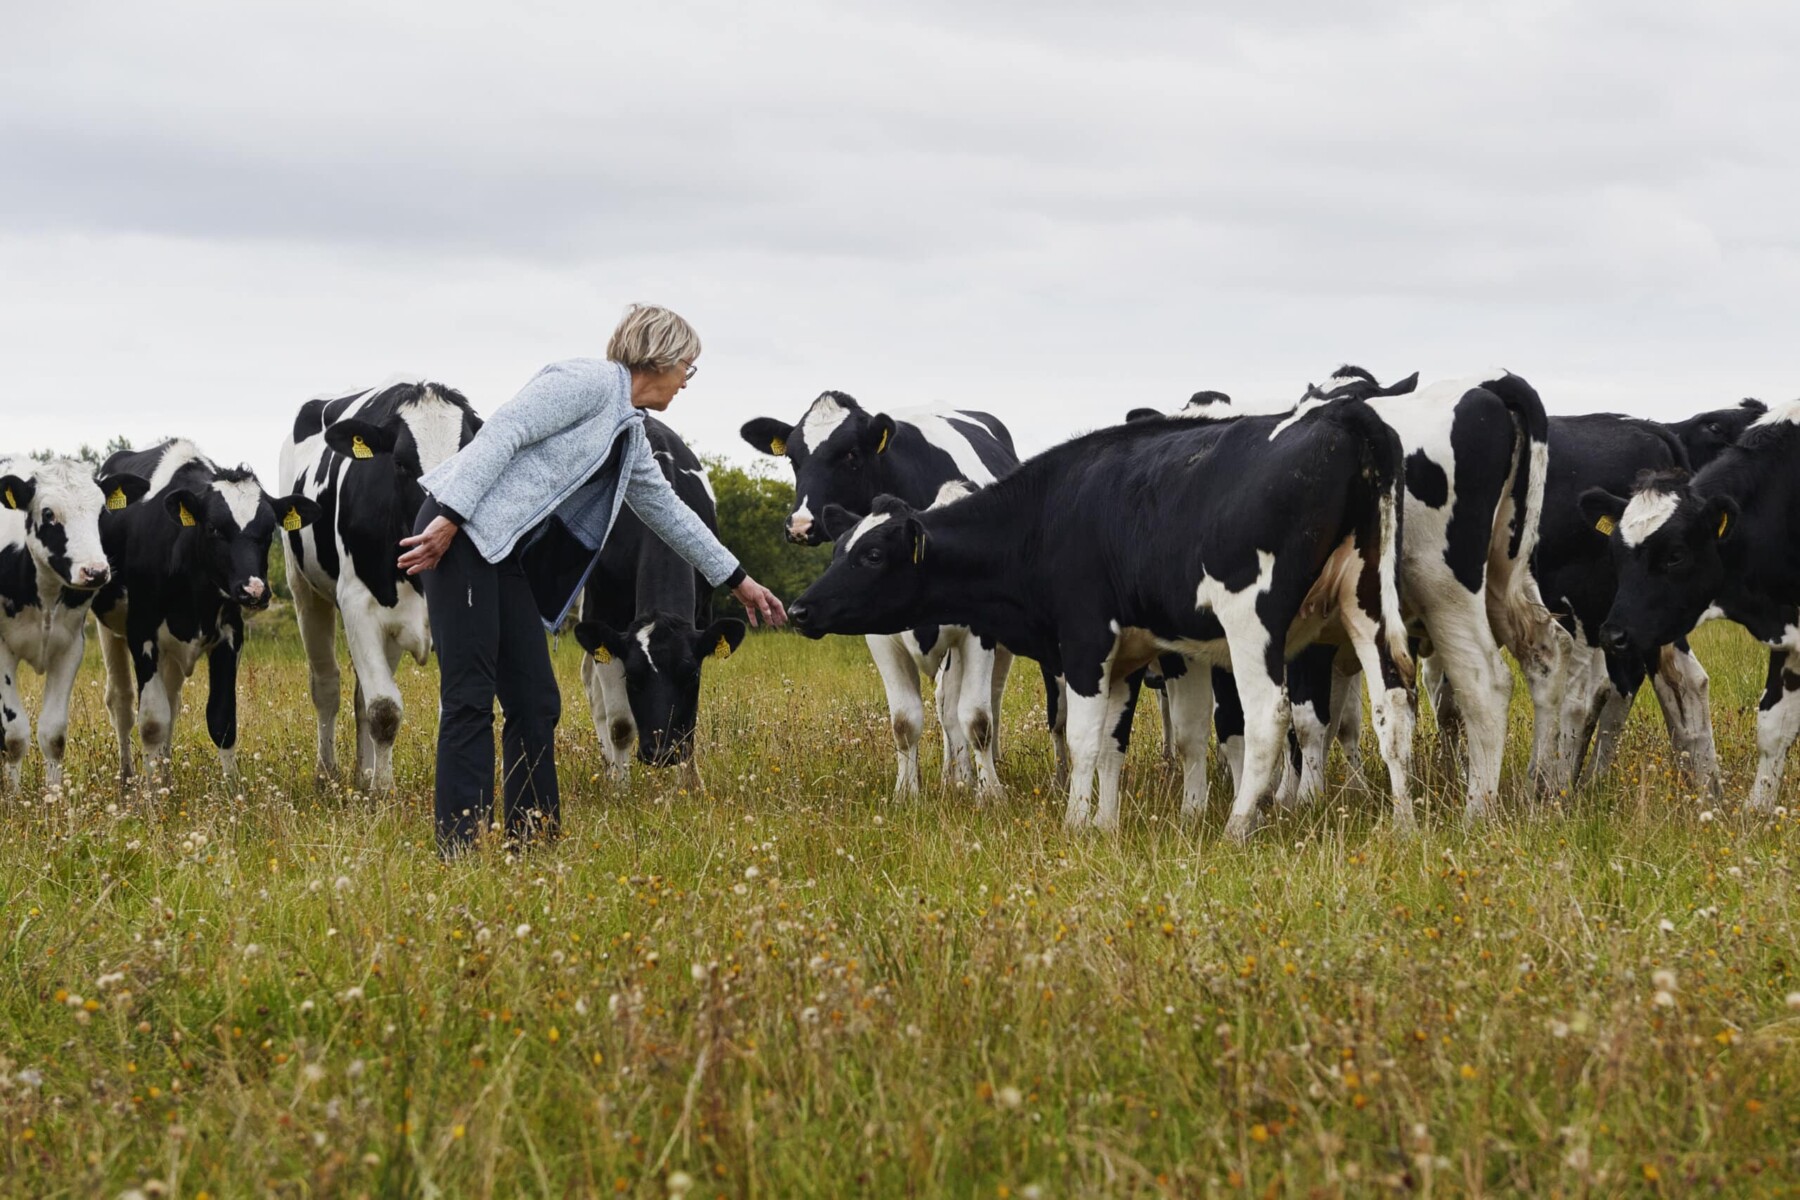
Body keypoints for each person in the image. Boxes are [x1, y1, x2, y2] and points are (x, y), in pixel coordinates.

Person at [398, 304, 786, 856]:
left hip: (498, 549)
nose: (685, 383)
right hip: (458, 534)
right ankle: (461, 849)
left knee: (536, 700)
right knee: (470, 698)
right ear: (663, 358)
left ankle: (533, 841)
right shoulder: (584, 382)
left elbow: (669, 513)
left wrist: (739, 579)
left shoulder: (628, 432)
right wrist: (451, 517)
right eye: (688, 369)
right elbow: (505, 431)